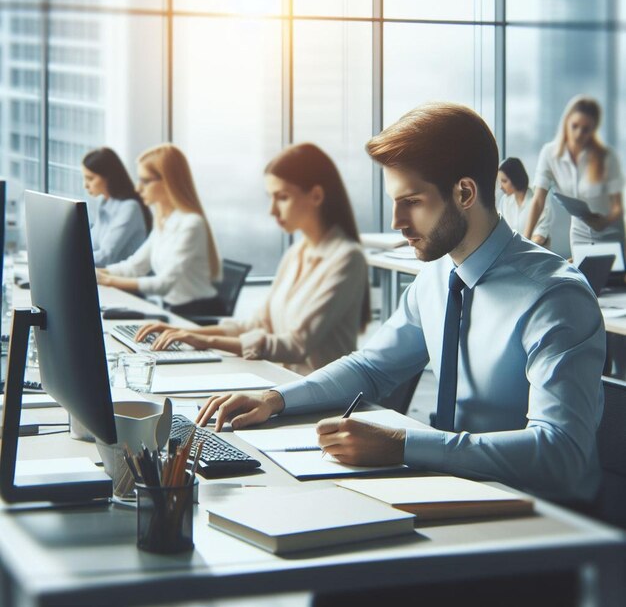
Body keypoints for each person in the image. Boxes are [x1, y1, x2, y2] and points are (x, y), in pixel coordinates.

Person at [195, 103, 605, 506]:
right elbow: (372, 367)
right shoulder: (437, 276)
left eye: (411, 201)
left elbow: (560, 454)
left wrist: (404, 445)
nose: (396, 221)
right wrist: (277, 399)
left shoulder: (553, 297)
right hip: (449, 491)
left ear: (464, 192)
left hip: (539, 520)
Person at [136, 143, 370, 375]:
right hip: (280, 382)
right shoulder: (297, 252)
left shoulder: (347, 258)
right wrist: (182, 331)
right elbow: (257, 325)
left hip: (322, 398)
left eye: (283, 197)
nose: (272, 211)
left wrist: (205, 341)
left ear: (316, 196)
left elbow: (296, 345)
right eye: (271, 197)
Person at [96, 144, 222, 311]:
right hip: (172, 308)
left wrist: (106, 280)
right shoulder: (163, 221)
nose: (137, 188)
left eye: (145, 181)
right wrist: (95, 272)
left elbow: (163, 284)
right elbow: (135, 267)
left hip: (197, 313)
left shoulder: (191, 224)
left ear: (169, 181)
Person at [524, 96, 625, 249]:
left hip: (609, 232)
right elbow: (538, 200)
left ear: (593, 129)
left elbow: (618, 207)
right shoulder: (549, 154)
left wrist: (602, 223)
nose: (578, 134)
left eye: (586, 129)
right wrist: (525, 240)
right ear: (566, 123)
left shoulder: (606, 157)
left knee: (609, 273)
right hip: (580, 234)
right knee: (582, 272)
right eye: (575, 126)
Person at [82, 147, 151, 267]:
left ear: (108, 177)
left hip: (124, 282)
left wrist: (71, 258)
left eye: (90, 178)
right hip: (107, 277)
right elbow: (92, 244)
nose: (85, 185)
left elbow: (106, 256)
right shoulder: (105, 202)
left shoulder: (130, 208)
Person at [498, 157, 552, 246]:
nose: (501, 187)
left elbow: (540, 237)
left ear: (515, 178)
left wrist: (519, 250)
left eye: (504, 181)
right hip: (512, 254)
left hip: (535, 255)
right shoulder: (505, 201)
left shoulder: (539, 201)